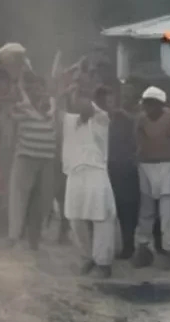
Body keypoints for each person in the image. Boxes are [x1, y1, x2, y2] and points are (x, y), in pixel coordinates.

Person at [62, 87, 117, 278]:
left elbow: (94, 111)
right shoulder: (69, 121)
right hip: (75, 173)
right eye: (78, 99)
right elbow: (55, 110)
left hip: (96, 172)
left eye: (86, 100)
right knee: (75, 218)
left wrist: (88, 102)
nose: (82, 103)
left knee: (101, 217)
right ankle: (87, 257)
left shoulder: (101, 119)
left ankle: (103, 262)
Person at [6, 75, 59, 250]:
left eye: (40, 88)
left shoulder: (53, 106)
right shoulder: (22, 107)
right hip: (26, 158)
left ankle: (34, 239)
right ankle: (13, 237)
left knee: (41, 201)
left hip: (47, 160)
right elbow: (10, 114)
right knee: (19, 198)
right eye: (34, 89)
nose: (38, 92)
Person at [134, 86, 170, 271]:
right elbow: (137, 141)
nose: (149, 107)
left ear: (161, 104)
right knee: (146, 211)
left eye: (153, 103)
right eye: (146, 103)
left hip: (168, 166)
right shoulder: (140, 119)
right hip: (146, 166)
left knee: (168, 212)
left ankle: (169, 251)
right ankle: (143, 248)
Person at [107, 80, 142, 262]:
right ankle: (122, 244)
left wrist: (124, 115)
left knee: (130, 208)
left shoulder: (138, 113)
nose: (126, 96)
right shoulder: (113, 115)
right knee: (117, 208)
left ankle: (130, 245)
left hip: (131, 167)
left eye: (130, 92)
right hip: (113, 165)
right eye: (123, 92)